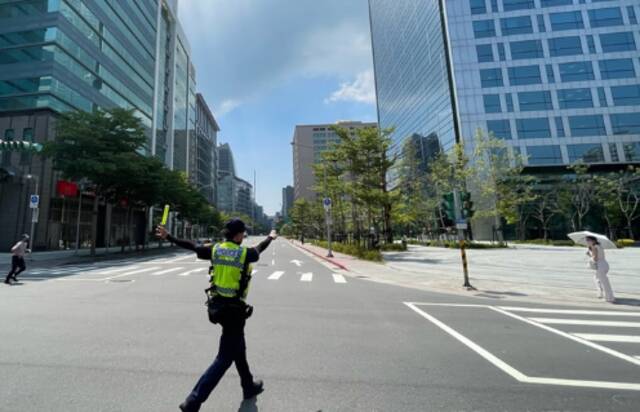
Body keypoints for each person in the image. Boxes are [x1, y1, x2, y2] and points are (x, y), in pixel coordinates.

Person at [156, 218, 276, 412]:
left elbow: (192, 246)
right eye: (243, 233)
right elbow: (259, 249)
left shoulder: (215, 249)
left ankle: (248, 386)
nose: (244, 235)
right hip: (234, 311)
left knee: (239, 348)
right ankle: (193, 401)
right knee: (224, 358)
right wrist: (270, 238)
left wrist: (168, 236)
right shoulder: (243, 253)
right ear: (238, 235)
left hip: (217, 307)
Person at [586, 235, 615, 303]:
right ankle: (603, 294)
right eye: (586, 240)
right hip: (604, 264)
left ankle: (609, 298)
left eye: (588, 240)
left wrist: (590, 256)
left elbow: (595, 258)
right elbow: (598, 256)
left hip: (600, 265)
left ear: (593, 241)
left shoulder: (594, 247)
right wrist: (590, 254)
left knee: (604, 282)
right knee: (598, 279)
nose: (587, 241)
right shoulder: (598, 246)